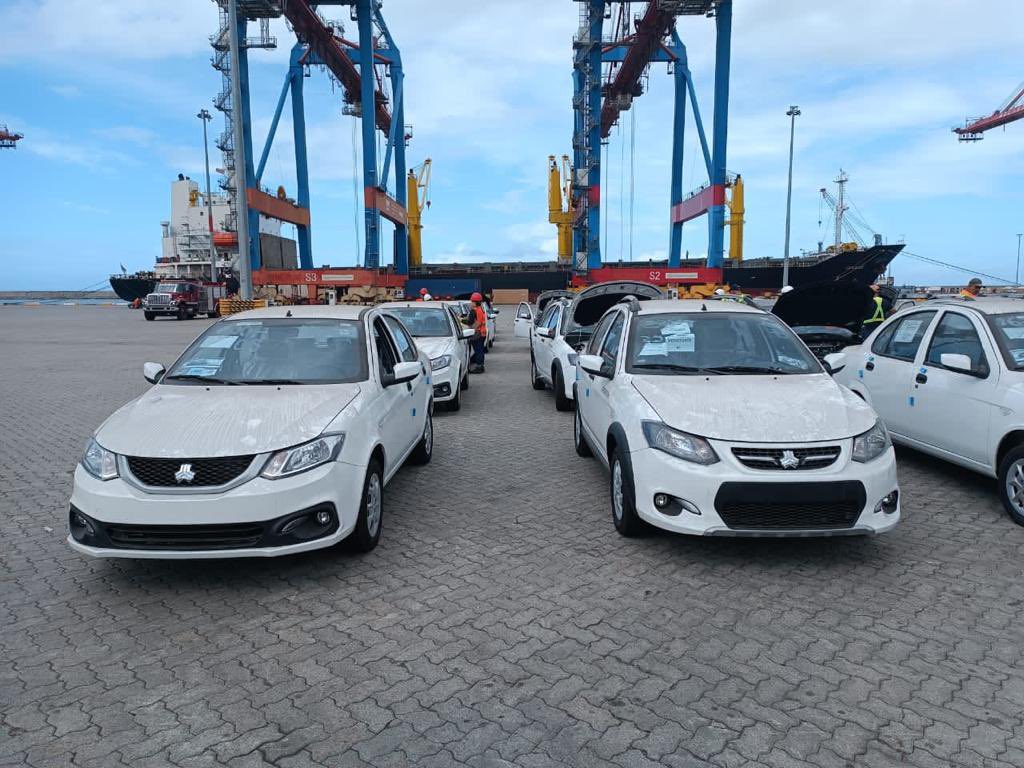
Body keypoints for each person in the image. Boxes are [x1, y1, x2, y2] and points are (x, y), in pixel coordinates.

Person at [468, 292, 488, 373]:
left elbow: (473, 322)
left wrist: (471, 329)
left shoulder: (475, 310)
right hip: (482, 333)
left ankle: (479, 367)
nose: (471, 303)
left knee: (478, 350)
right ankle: (480, 365)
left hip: (478, 333)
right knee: (480, 350)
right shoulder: (481, 309)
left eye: (472, 301)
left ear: (475, 302)